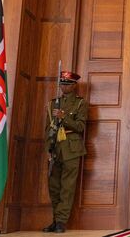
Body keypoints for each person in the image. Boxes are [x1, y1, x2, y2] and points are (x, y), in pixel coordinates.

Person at [43, 71, 87, 233]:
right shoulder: (52, 103)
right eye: (62, 84)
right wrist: (48, 148)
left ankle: (61, 221)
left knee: (67, 187)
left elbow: (80, 127)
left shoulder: (80, 103)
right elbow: (48, 129)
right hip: (55, 148)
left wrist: (64, 118)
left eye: (67, 84)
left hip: (71, 149)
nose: (63, 87)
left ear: (74, 86)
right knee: (54, 187)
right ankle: (55, 221)